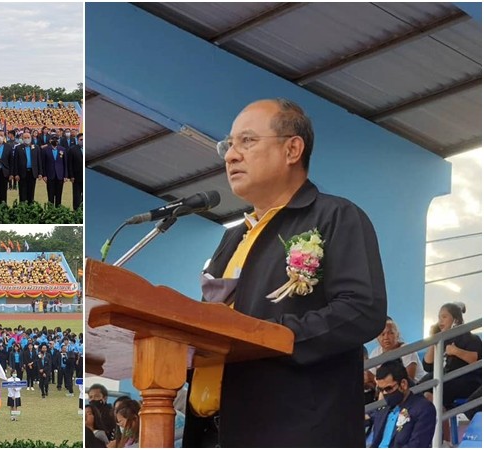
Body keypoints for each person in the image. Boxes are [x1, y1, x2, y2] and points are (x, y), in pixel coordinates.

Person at [184, 98, 387, 447]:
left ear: (293, 149)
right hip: (216, 432)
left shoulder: (334, 217)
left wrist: (267, 337)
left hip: (294, 430)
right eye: (228, 145)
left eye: (246, 141)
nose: (231, 156)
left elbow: (361, 310)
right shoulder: (233, 237)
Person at [421, 302, 482, 410]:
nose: (440, 321)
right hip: (448, 380)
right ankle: (440, 419)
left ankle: (441, 418)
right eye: (439, 317)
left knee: (439, 389)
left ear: (456, 320)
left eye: (444, 317)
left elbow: (475, 360)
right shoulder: (443, 341)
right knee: (422, 388)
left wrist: (456, 351)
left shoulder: (471, 338)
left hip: (468, 381)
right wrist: (434, 340)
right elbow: (428, 365)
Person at [369, 360, 436, 448]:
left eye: (388, 388)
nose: (385, 393)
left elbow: (417, 445)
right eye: (381, 390)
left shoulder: (423, 408)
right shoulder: (384, 409)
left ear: (403, 384)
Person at [369, 318, 426, 383]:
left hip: (416, 386)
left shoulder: (407, 349)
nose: (386, 337)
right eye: (382, 334)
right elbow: (370, 375)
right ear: (377, 338)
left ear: (397, 335)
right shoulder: (375, 352)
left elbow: (409, 379)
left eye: (391, 333)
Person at [10, 131, 41, 203]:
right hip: (22, 173)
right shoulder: (18, 148)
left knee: (31, 192)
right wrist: (16, 174)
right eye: (25, 137)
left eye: (28, 137)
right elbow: (15, 162)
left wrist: (40, 173)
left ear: (31, 138)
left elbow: (39, 161)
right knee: (22, 192)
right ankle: (22, 209)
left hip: (32, 173)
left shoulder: (36, 148)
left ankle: (30, 208)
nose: (27, 139)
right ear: (22, 139)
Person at [40, 134, 67, 207]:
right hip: (50, 175)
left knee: (59, 195)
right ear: (50, 140)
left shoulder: (62, 149)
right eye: (53, 139)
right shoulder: (45, 150)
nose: (55, 141)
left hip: (60, 175)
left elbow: (65, 163)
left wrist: (65, 175)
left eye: (56, 139)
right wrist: (44, 175)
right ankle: (50, 210)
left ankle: (58, 210)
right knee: (50, 195)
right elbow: (43, 163)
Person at [67, 132, 84, 210]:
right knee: (77, 195)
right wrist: (71, 176)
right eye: (81, 139)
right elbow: (69, 163)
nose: (83, 141)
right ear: (77, 140)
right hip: (76, 176)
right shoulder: (72, 149)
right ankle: (76, 209)